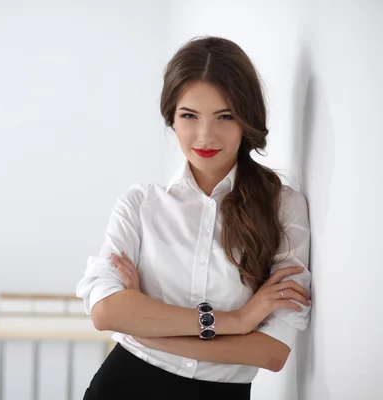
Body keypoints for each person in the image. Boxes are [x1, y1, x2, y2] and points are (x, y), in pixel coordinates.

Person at [75, 36, 312, 400]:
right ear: (171, 116)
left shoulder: (282, 207)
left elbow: (271, 352)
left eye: (225, 116)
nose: (205, 135)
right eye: (189, 116)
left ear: (246, 119)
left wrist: (147, 329)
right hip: (124, 385)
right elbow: (106, 312)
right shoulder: (139, 205)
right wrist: (237, 321)